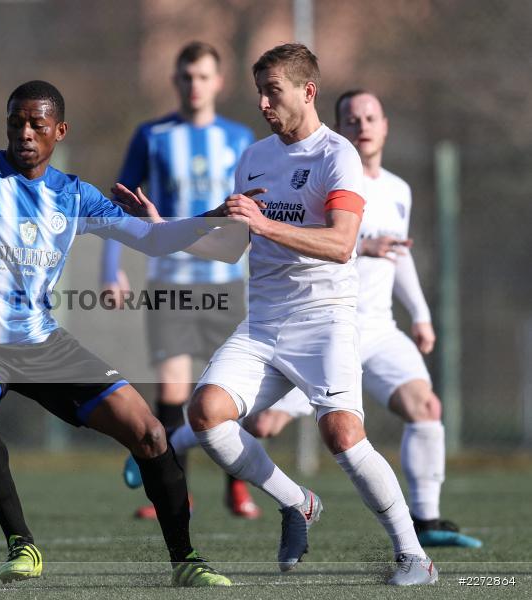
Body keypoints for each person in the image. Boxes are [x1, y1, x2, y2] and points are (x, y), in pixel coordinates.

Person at [0, 80, 234, 587]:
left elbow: (151, 239)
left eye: (38, 124)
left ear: (59, 130)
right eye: (16, 122)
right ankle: (22, 545)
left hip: (42, 343)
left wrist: (211, 219)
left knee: (148, 432)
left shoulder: (74, 195)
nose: (26, 132)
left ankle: (186, 560)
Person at [112, 44, 438, 585]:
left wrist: (265, 225)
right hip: (264, 323)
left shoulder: (338, 156)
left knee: (341, 434)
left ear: (307, 92)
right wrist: (164, 224)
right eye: (259, 90)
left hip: (326, 318)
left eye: (274, 91)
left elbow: (340, 244)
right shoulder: (256, 157)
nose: (263, 102)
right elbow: (230, 246)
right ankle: (298, 503)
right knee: (206, 414)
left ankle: (414, 555)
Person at [243, 90, 481, 549]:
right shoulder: (333, 168)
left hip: (379, 328)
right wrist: (355, 245)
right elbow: (330, 240)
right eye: (353, 119)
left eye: (371, 117)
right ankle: (171, 439)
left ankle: (426, 520)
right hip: (327, 325)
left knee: (426, 408)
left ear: (385, 124)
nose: (363, 126)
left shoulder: (397, 189)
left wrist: (422, 315)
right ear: (339, 126)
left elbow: (399, 255)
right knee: (261, 424)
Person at [101, 41, 261, 520]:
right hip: (170, 281)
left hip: (227, 281)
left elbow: (250, 210)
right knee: (173, 391)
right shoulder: (152, 135)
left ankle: (240, 485)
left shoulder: (239, 138)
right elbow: (121, 205)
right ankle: (179, 492)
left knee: (231, 391)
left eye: (204, 76)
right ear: (176, 81)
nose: (195, 85)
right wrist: (112, 269)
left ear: (219, 82)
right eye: (187, 76)